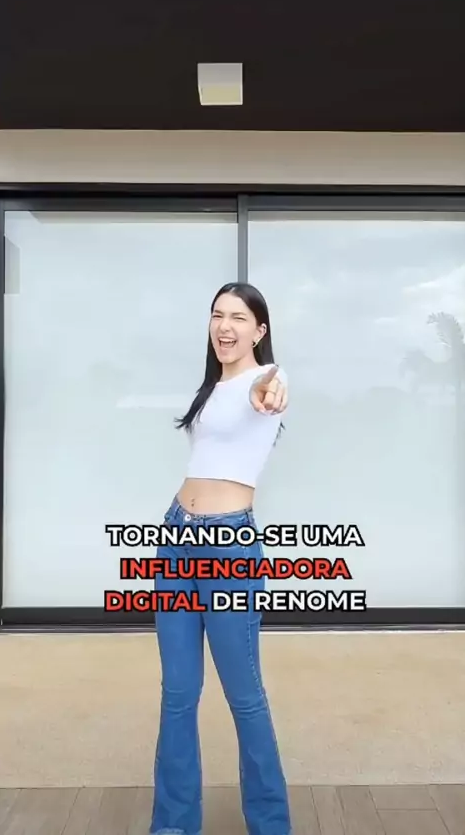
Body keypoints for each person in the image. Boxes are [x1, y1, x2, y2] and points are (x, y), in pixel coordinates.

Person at [149, 282, 292, 835]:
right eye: (217, 315)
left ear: (259, 330)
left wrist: (269, 390)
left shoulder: (267, 377)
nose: (224, 326)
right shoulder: (211, 389)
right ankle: (173, 825)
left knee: (244, 694)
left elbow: (271, 390)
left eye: (238, 317)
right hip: (175, 537)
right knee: (178, 694)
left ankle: (271, 825)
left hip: (229, 547)